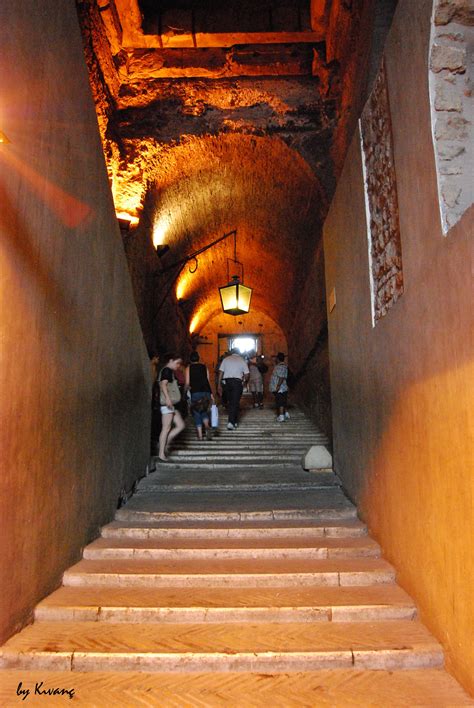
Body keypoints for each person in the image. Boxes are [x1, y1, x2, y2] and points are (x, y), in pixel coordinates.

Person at [157, 353, 186, 462]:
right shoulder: (167, 370)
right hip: (167, 404)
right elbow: (163, 384)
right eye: (177, 363)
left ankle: (164, 443)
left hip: (171, 405)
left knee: (180, 425)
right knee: (166, 428)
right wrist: (168, 399)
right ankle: (161, 453)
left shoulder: (168, 371)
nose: (178, 365)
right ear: (170, 360)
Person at [217, 348, 249, 430]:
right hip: (237, 383)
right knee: (235, 402)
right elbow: (247, 374)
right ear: (239, 353)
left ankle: (234, 421)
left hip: (227, 383)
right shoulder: (242, 360)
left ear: (231, 352)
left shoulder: (226, 359)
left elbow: (220, 372)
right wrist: (244, 381)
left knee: (231, 402)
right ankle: (231, 422)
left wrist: (219, 384)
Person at [185, 351, 214, 441]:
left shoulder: (188, 368)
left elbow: (187, 383)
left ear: (190, 359)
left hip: (195, 392)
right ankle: (207, 425)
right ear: (199, 358)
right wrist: (211, 394)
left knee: (196, 412)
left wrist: (184, 391)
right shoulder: (204, 367)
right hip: (206, 392)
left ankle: (200, 436)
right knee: (204, 410)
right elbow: (208, 381)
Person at [269, 352, 290, 422]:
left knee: (280, 402)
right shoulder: (284, 366)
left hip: (280, 388)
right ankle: (286, 413)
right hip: (284, 387)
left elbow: (281, 377)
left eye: (276, 358)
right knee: (283, 401)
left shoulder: (279, 367)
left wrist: (277, 386)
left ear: (278, 359)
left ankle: (281, 416)